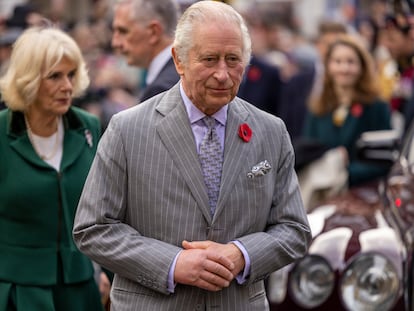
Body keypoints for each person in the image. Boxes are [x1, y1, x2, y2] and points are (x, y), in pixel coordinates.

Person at [73, 1, 311, 310]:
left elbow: (294, 230)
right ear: (179, 59)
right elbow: (93, 228)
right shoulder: (127, 129)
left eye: (233, 60)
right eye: (210, 59)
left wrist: (242, 254)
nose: (223, 74)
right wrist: (173, 263)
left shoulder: (271, 131)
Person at [0, 26, 103, 310]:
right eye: (55, 76)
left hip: (80, 289)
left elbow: (107, 208)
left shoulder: (88, 126)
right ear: (29, 80)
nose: (68, 86)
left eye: (71, 75)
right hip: (17, 291)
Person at [301, 34, 392, 196]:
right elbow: (308, 149)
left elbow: (384, 159)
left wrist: (345, 172)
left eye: (351, 62)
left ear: (362, 67)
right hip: (321, 194)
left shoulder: (376, 106)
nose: (344, 68)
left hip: (363, 195)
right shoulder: (318, 106)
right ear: (328, 66)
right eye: (337, 62)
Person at [111, 0, 180, 102]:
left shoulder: (162, 89)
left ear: (154, 32)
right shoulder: (177, 75)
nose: (115, 43)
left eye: (123, 31)